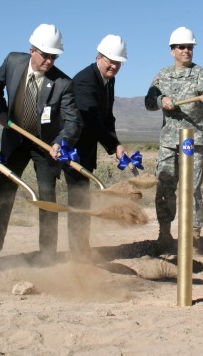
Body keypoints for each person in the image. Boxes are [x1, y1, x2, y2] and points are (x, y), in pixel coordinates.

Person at [0, 24, 82, 268]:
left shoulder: (63, 83)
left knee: (47, 196)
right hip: (14, 139)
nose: (49, 61)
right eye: (45, 55)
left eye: (54, 56)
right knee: (2, 191)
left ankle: (47, 254)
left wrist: (59, 143)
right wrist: (0, 111)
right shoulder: (13, 62)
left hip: (44, 146)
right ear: (32, 50)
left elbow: (73, 121)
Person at [144, 26, 203, 252]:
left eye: (190, 47)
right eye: (181, 47)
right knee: (165, 187)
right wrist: (161, 100)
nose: (186, 50)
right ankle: (164, 234)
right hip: (168, 142)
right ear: (172, 51)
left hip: (192, 142)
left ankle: (194, 236)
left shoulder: (201, 74)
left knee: (191, 188)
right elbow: (149, 100)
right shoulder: (162, 75)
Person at [64, 35, 130, 260]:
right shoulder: (85, 81)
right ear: (98, 57)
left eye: (118, 62)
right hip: (70, 149)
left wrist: (116, 145)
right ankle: (75, 253)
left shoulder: (108, 80)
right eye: (110, 60)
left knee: (83, 199)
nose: (114, 66)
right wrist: (113, 144)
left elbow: (107, 116)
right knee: (77, 201)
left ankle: (81, 249)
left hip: (88, 148)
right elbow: (91, 120)